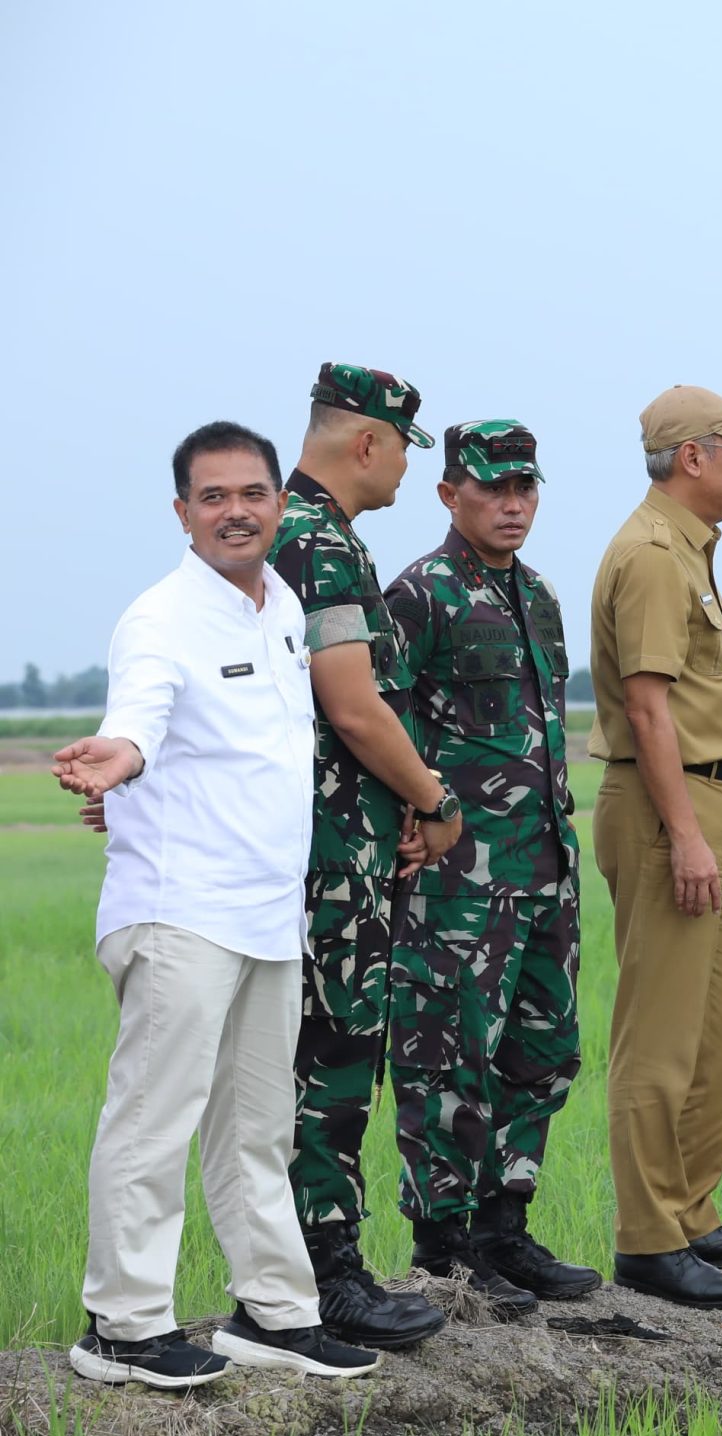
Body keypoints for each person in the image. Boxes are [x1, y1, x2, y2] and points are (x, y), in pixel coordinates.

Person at [53, 422, 379, 1384]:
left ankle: (275, 1314)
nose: (235, 511)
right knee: (154, 1118)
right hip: (181, 910)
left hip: (266, 912)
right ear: (182, 513)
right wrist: (124, 758)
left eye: (252, 493)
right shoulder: (159, 619)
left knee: (257, 1127)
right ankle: (121, 1324)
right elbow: (141, 713)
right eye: (213, 497)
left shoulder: (280, 603)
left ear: (281, 500)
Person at [382, 421, 595, 1313]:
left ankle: (505, 1227)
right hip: (457, 879)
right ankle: (447, 1249)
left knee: (542, 1052)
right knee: (448, 1059)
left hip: (544, 865)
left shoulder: (539, 596)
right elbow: (378, 721)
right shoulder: (418, 595)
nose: (513, 505)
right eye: (493, 489)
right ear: (448, 494)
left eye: (526, 489)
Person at [589, 385, 722, 1308]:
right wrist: (682, 836)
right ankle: (646, 1238)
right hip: (668, 805)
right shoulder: (653, 555)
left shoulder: (690, 552)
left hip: (709, 802)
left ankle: (693, 1217)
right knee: (661, 1035)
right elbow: (648, 707)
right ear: (691, 457)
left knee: (716, 1033)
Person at [270, 363, 456, 1351]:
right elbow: (352, 704)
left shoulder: (299, 533)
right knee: (335, 1057)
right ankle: (327, 1274)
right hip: (330, 856)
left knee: (323, 1051)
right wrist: (436, 797)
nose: (398, 475)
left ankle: (311, 1270)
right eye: (400, 453)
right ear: (368, 444)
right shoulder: (320, 544)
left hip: (339, 844)